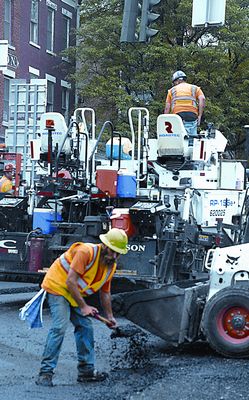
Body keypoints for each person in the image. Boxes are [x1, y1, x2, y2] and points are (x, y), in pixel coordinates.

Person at [35, 227, 128, 387]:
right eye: (112, 251)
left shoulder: (110, 266)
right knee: (59, 327)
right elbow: (70, 281)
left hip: (74, 293)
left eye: (117, 253)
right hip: (58, 286)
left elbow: (105, 293)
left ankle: (86, 372)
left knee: (85, 326)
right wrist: (84, 307)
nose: (114, 256)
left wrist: (110, 316)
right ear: (104, 245)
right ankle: (45, 373)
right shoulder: (86, 252)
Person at [164, 70, 206, 141]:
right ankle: (191, 147)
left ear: (177, 81)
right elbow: (202, 99)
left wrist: (165, 121)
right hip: (192, 114)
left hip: (177, 115)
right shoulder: (195, 88)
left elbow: (167, 108)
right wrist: (199, 116)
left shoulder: (171, 90)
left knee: (178, 135)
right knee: (192, 136)